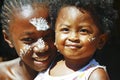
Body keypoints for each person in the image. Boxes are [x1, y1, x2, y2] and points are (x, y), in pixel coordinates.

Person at [35, 0, 118, 80]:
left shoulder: (94, 75)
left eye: (83, 31)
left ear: (101, 41)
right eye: (65, 29)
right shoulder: (49, 64)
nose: (73, 37)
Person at [0, 0, 58, 79]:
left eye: (48, 36)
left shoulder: (75, 70)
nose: (42, 48)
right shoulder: (2, 75)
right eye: (28, 39)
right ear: (8, 38)